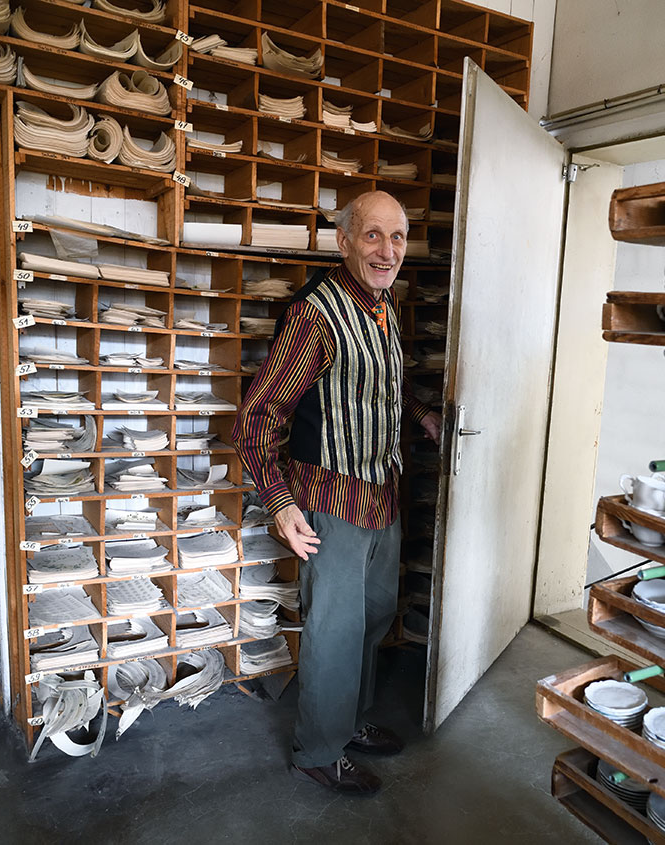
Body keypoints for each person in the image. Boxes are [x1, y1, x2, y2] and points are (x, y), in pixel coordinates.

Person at [232, 191, 441, 794]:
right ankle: (319, 749)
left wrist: (422, 413)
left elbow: (381, 388)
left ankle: (350, 722)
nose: (388, 250)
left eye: (397, 237)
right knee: (335, 628)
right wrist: (280, 502)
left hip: (382, 491)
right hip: (331, 498)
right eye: (372, 236)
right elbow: (258, 416)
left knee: (375, 615)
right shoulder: (315, 315)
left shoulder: (383, 304)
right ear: (343, 241)